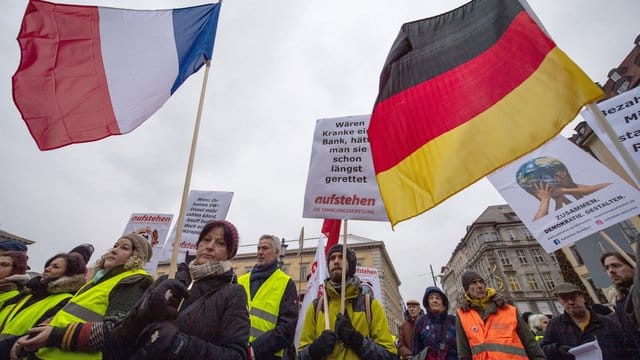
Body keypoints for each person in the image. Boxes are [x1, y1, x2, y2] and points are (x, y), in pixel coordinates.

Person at [106, 220, 250, 359]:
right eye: (206, 239)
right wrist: (145, 309)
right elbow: (117, 342)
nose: (210, 246)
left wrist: (181, 344)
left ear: (229, 254)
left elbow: (236, 355)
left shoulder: (233, 293)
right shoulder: (166, 281)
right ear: (198, 245)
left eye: (221, 243)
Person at [11, 233, 154, 359]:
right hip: (47, 353)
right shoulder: (95, 281)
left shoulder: (133, 281)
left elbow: (115, 331)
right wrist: (33, 336)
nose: (115, 250)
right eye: (115, 245)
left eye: (124, 248)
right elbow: (65, 314)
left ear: (137, 256)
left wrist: (54, 336)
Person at [298, 244, 397, 359]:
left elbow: (390, 355)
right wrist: (315, 349)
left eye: (341, 257)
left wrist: (357, 340)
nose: (336, 261)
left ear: (351, 264)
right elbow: (301, 355)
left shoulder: (369, 304)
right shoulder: (316, 307)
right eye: (332, 258)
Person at [0, 253, 86, 358]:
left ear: (69, 275)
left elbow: (35, 335)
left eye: (55, 267)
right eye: (48, 265)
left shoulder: (65, 301)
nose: (47, 269)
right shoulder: (27, 294)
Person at [455, 269, 544, 360]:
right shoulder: (462, 315)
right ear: (467, 290)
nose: (479, 286)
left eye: (481, 282)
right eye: (473, 283)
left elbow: (529, 342)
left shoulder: (507, 309)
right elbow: (464, 351)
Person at [238, 234, 297, 360]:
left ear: (276, 252)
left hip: (268, 354)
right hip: (237, 352)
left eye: (265, 248)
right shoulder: (241, 281)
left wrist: (254, 350)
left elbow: (287, 328)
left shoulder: (286, 283)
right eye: (258, 248)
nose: (260, 252)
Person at [540, 282, 634, 359]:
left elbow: (628, 348)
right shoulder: (555, 324)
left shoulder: (606, 322)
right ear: (560, 301)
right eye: (564, 299)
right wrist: (560, 350)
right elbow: (544, 349)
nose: (571, 302)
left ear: (582, 297)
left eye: (573, 297)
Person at [600, 251, 640, 353]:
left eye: (616, 266)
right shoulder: (621, 301)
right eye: (607, 268)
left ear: (632, 266)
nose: (611, 271)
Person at [413, 287, 457, 360]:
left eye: (438, 298)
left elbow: (462, 347)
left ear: (443, 302)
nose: (435, 301)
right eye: (431, 298)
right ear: (427, 303)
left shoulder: (453, 320)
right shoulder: (421, 322)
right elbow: (416, 351)